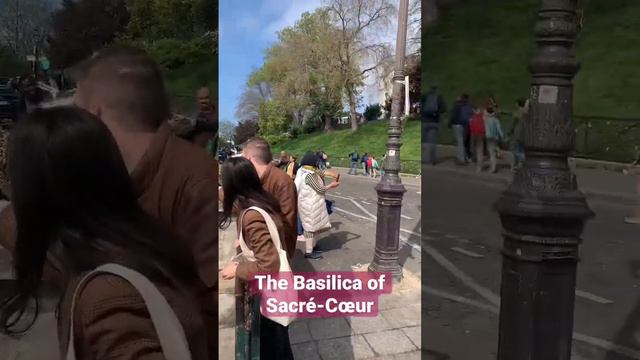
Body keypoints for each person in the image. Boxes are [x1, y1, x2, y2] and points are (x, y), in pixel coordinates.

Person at [0, 46, 218, 353]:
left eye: (76, 108)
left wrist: (91, 275)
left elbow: (210, 318)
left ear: (94, 115)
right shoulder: (117, 176)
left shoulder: (197, 181)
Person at [219, 156, 294, 360]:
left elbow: (269, 264)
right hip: (275, 294)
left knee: (272, 349)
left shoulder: (251, 216)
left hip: (267, 296)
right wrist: (245, 241)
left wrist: (236, 270)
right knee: (280, 346)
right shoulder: (263, 201)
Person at [235, 138, 298, 260]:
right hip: (255, 250)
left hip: (271, 256)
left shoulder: (282, 181)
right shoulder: (251, 179)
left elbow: (287, 223)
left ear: (249, 159)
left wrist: (253, 242)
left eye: (243, 157)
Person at [295, 152, 340, 259]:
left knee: (314, 226)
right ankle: (309, 252)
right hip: (309, 205)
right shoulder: (309, 175)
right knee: (310, 228)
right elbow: (320, 189)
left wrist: (333, 174)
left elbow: (321, 172)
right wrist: (331, 185)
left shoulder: (309, 171)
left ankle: (313, 246)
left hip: (312, 204)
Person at [422, 85, 446, 165]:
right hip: (434, 122)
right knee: (432, 141)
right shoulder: (439, 98)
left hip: (425, 121)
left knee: (425, 141)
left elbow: (421, 107)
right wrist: (437, 113)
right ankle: (433, 159)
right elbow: (443, 109)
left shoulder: (425, 96)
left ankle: (426, 159)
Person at [449, 93, 474, 164]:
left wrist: (449, 124)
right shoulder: (470, 105)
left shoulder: (457, 105)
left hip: (458, 124)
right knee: (465, 142)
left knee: (460, 142)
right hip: (467, 125)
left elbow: (453, 115)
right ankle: (467, 157)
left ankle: (461, 159)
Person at [510, 98, 529, 171]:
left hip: (518, 133)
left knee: (516, 150)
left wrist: (510, 132)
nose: (515, 105)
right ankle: (521, 164)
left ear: (518, 104)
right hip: (525, 133)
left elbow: (513, 124)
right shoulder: (527, 112)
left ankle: (517, 164)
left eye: (516, 103)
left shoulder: (517, 112)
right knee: (522, 149)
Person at [484, 107, 504, 173]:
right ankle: (498, 150)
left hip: (488, 138)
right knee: (493, 151)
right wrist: (502, 136)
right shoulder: (496, 120)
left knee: (491, 154)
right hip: (495, 138)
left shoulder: (485, 119)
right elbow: (499, 130)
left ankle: (493, 168)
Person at [470, 107, 486, 172]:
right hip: (481, 135)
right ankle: (479, 167)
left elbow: (471, 127)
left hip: (474, 135)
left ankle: (477, 164)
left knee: (476, 150)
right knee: (479, 151)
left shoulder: (473, 118)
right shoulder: (482, 116)